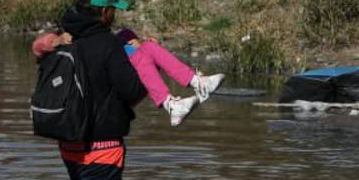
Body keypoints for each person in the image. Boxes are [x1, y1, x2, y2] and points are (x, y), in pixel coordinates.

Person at [55, 0, 147, 180]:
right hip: (102, 145)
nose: (114, 15)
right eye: (113, 10)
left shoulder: (64, 38)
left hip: (69, 141)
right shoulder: (108, 44)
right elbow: (133, 92)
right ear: (105, 12)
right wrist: (143, 60)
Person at [34, 28, 222, 127]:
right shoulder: (69, 44)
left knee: (148, 48)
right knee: (144, 51)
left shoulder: (99, 39)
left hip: (115, 90)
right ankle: (174, 102)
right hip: (103, 97)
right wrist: (58, 40)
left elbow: (119, 41)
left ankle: (195, 84)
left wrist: (133, 40)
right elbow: (38, 47)